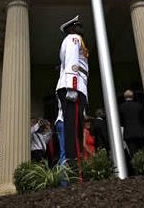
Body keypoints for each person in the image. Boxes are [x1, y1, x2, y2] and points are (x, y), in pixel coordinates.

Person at [55, 15, 90, 173]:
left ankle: (75, 165)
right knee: (73, 128)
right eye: (77, 25)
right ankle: (76, 167)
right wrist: (73, 87)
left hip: (76, 84)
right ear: (70, 29)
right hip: (73, 85)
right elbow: (72, 61)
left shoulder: (75, 39)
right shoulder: (73, 38)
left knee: (75, 127)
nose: (80, 27)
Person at [118, 89, 144, 158]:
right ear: (133, 96)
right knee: (143, 153)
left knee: (133, 154)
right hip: (140, 132)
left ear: (124, 97)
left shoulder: (121, 107)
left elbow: (121, 122)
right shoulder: (139, 106)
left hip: (128, 134)